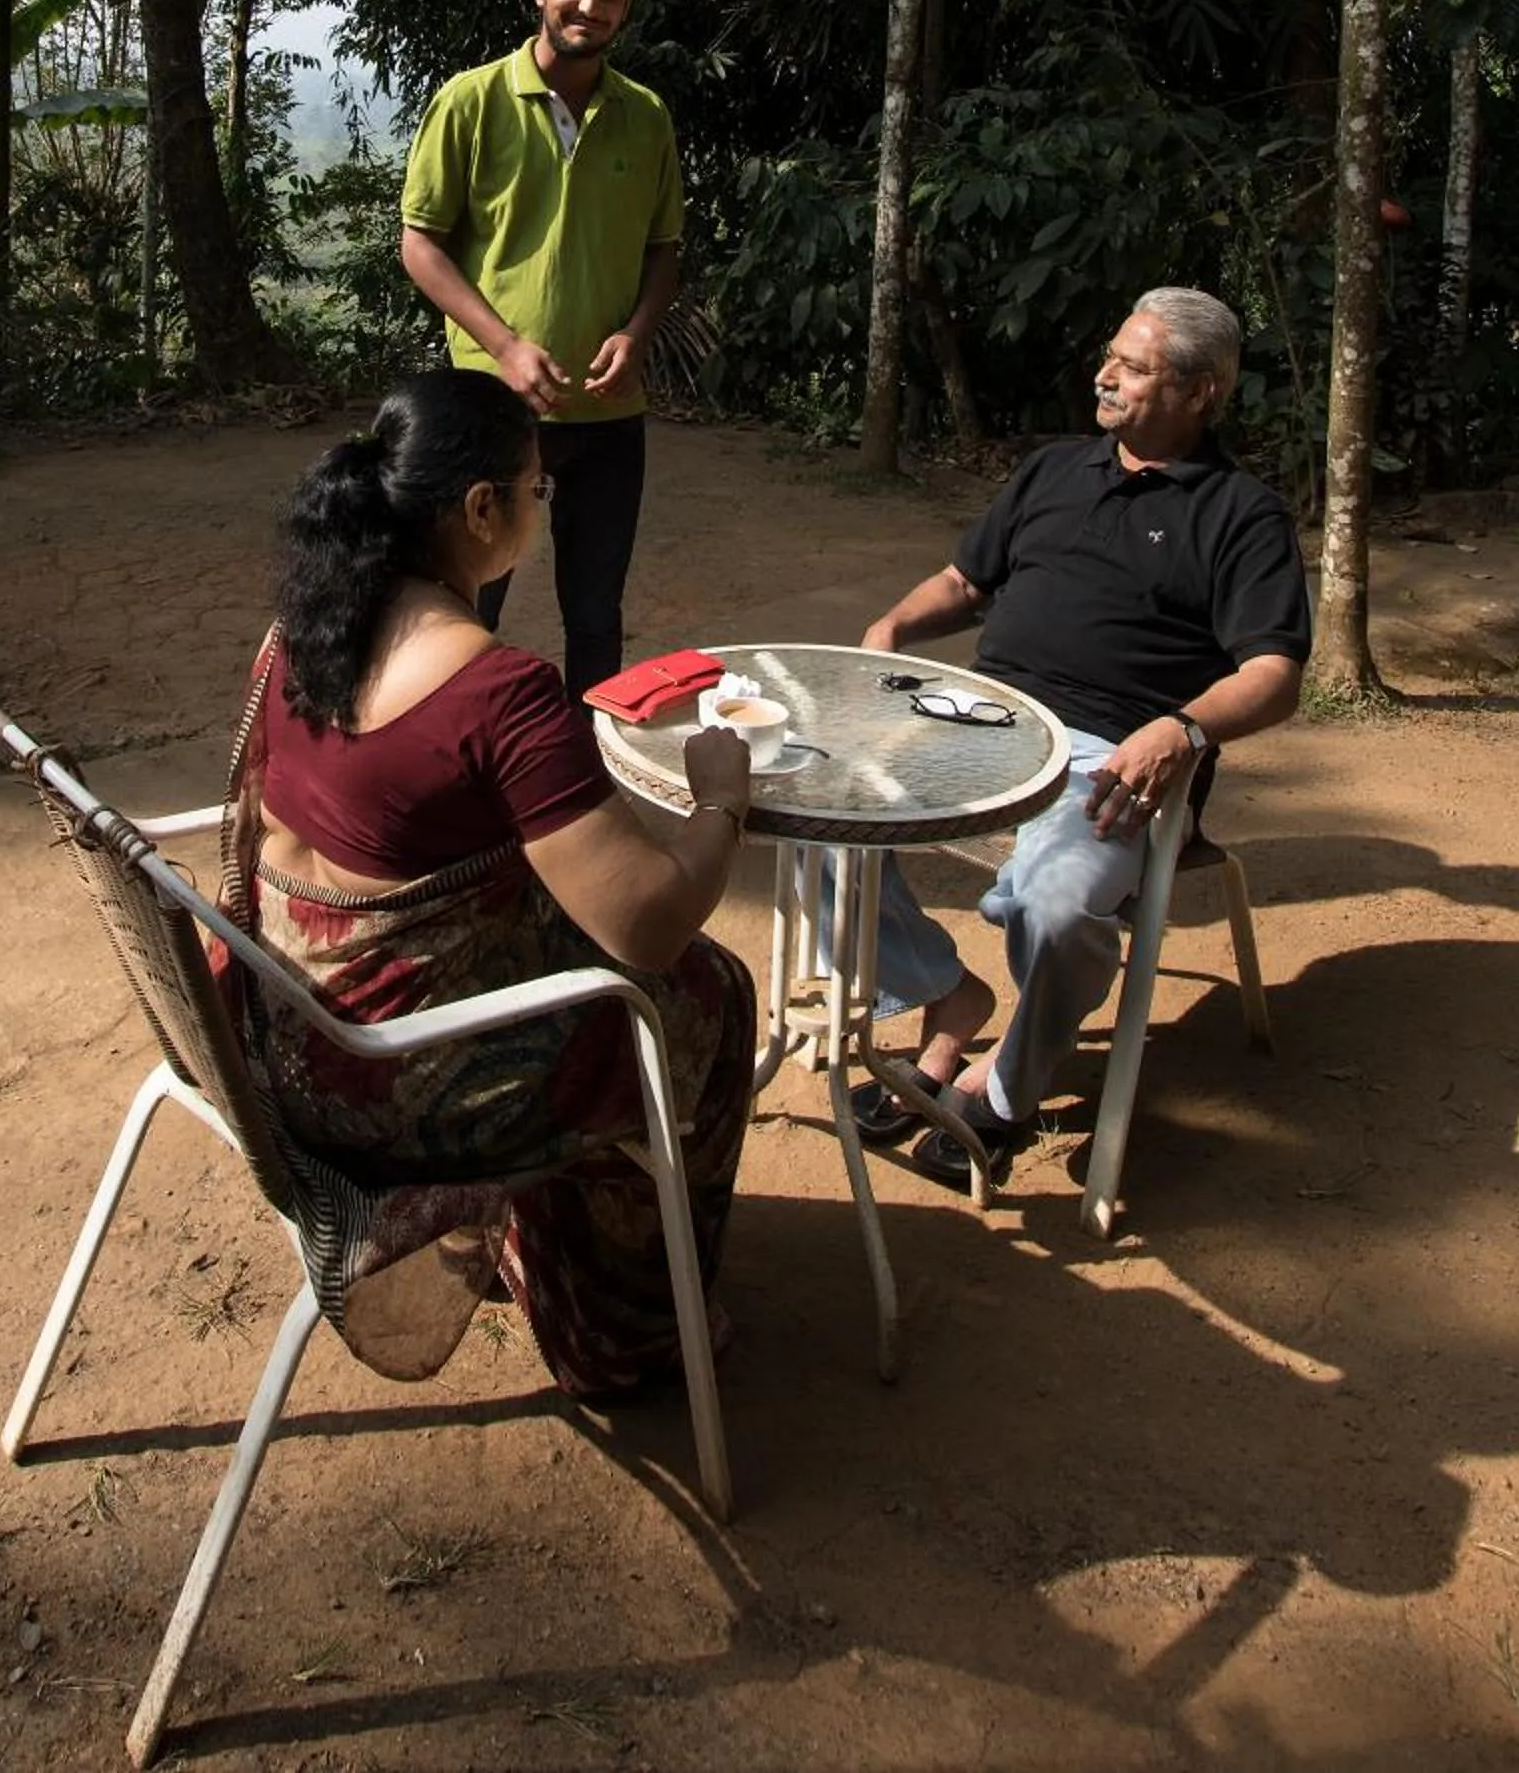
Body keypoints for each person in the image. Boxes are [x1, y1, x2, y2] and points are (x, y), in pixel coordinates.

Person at [235, 368, 756, 1398]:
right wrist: (719, 803)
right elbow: (642, 923)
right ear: (481, 508)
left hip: (276, 1028)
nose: (539, 507)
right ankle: (625, 1331)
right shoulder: (497, 692)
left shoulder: (301, 635)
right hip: (389, 1082)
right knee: (705, 990)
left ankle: (555, 1246)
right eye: (535, 489)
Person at [844, 288, 1311, 1191]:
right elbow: (964, 580)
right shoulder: (1053, 469)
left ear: (1203, 392)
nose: (1106, 377)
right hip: (975, 719)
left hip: (1112, 757)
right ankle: (948, 999)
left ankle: (1006, 1087)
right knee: (806, 814)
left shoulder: (1241, 514)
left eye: (1134, 369)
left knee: (1059, 907)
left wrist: (1181, 730)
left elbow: (1273, 675)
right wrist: (892, 628)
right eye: (1111, 357)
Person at [399, 0, 681, 701]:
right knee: (463, 608)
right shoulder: (471, 101)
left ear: (628, 4)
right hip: (488, 411)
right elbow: (420, 243)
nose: (591, 7)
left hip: (606, 415)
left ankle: (587, 777)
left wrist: (637, 331)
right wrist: (505, 346)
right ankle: (454, 760)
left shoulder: (646, 116)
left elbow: (665, 251)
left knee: (595, 613)